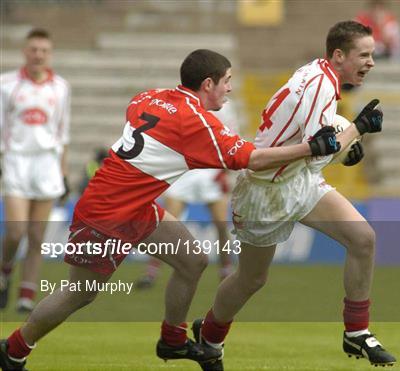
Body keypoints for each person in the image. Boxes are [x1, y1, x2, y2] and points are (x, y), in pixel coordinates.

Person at [0, 49, 341, 371]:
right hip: (108, 210)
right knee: (80, 293)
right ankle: (14, 349)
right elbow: (250, 159)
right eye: (227, 81)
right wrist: (309, 147)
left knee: (192, 260)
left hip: (135, 205)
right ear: (208, 84)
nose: (230, 89)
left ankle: (172, 339)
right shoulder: (196, 122)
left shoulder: (152, 96)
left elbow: (135, 111)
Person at [192, 21, 396, 371]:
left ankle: (356, 331)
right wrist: (356, 129)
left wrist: (349, 144)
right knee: (251, 279)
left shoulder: (321, 76)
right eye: (364, 55)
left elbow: (320, 141)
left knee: (363, 239)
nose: (371, 62)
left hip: (299, 181)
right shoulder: (320, 84)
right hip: (265, 191)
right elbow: (320, 149)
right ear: (338, 55)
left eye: (372, 55)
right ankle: (209, 337)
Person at [0, 28, 71, 313]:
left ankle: (25, 293)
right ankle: (5, 270)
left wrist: (63, 174)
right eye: (34, 50)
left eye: (44, 50)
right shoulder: (7, 85)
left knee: (37, 235)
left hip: (47, 164)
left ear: (50, 54)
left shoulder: (61, 87)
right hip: (17, 160)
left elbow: (63, 133)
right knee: (16, 231)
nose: (38, 55)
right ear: (25, 52)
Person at [136, 104, 241, 289]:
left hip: (210, 171)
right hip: (184, 171)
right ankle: (151, 273)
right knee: (166, 224)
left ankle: (226, 270)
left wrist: (225, 170)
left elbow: (232, 139)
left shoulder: (224, 107)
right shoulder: (184, 104)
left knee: (221, 224)